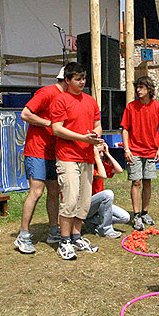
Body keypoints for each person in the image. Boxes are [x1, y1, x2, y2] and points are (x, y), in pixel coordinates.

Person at [50, 62, 104, 260]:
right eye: (78, 79)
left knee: (84, 201)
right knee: (70, 199)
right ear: (68, 80)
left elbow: (98, 124)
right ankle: (64, 241)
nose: (82, 82)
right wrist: (82, 138)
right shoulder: (60, 100)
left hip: (86, 156)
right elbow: (57, 128)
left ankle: (77, 236)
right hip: (67, 156)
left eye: (84, 78)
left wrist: (95, 135)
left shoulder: (90, 101)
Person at [13, 70, 67, 254]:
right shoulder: (47, 92)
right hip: (37, 150)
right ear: (67, 79)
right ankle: (23, 235)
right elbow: (25, 114)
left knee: (54, 191)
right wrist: (48, 124)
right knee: (36, 191)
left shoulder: (67, 97)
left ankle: (54, 230)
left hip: (54, 152)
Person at [120, 75, 159, 230]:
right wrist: (127, 149)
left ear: (149, 89)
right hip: (135, 151)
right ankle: (136, 215)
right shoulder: (130, 107)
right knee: (136, 181)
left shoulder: (158, 107)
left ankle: (145, 211)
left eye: (141, 87)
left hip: (151, 151)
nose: (138, 90)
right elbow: (125, 129)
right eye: (137, 87)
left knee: (148, 181)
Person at [84, 142, 130, 238]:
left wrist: (108, 154)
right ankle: (105, 230)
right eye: (99, 152)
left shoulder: (100, 165)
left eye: (102, 152)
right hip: (87, 206)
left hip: (99, 204)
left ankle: (92, 222)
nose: (101, 155)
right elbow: (103, 176)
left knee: (125, 217)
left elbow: (119, 170)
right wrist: (96, 157)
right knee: (108, 194)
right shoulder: (87, 167)